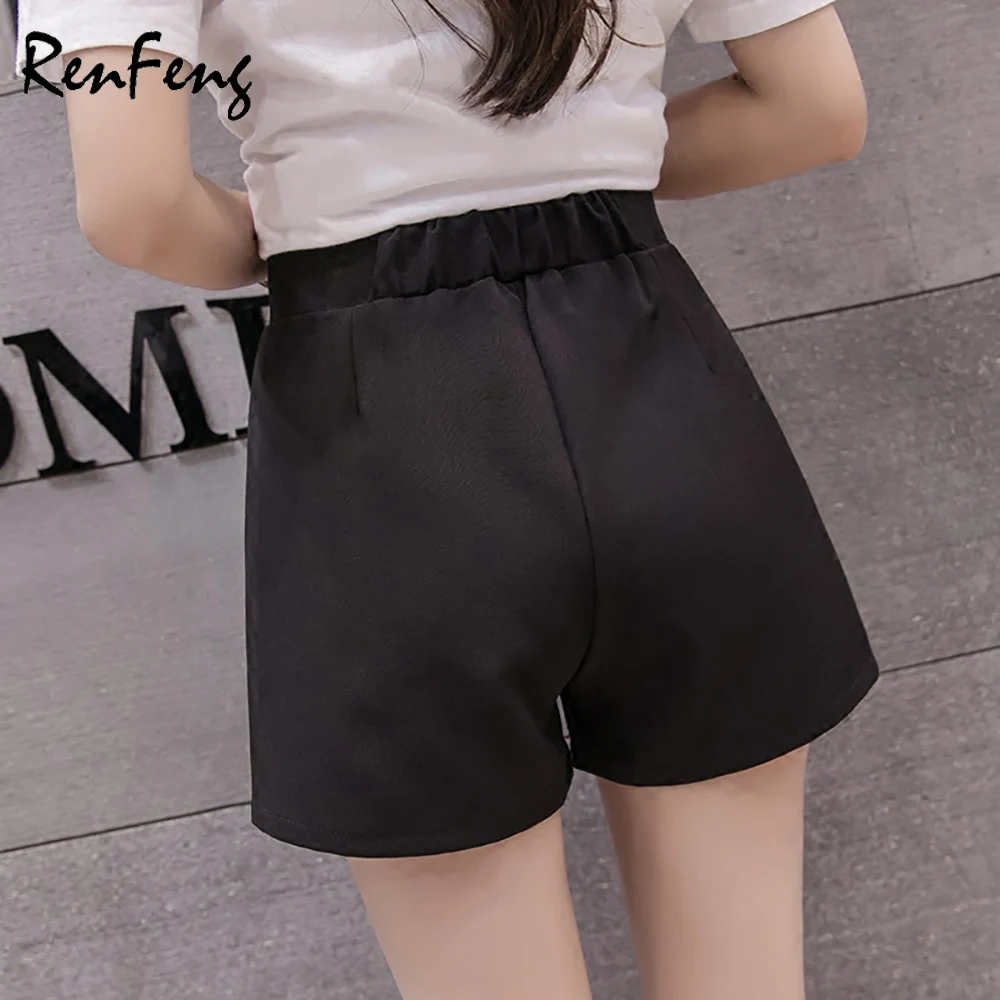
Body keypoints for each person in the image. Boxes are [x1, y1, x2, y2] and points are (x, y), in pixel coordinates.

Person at [16, 1, 879, 996]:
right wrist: (595, 159)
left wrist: (309, 227)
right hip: (666, 391)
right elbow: (815, 109)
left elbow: (132, 204)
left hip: (386, 430)